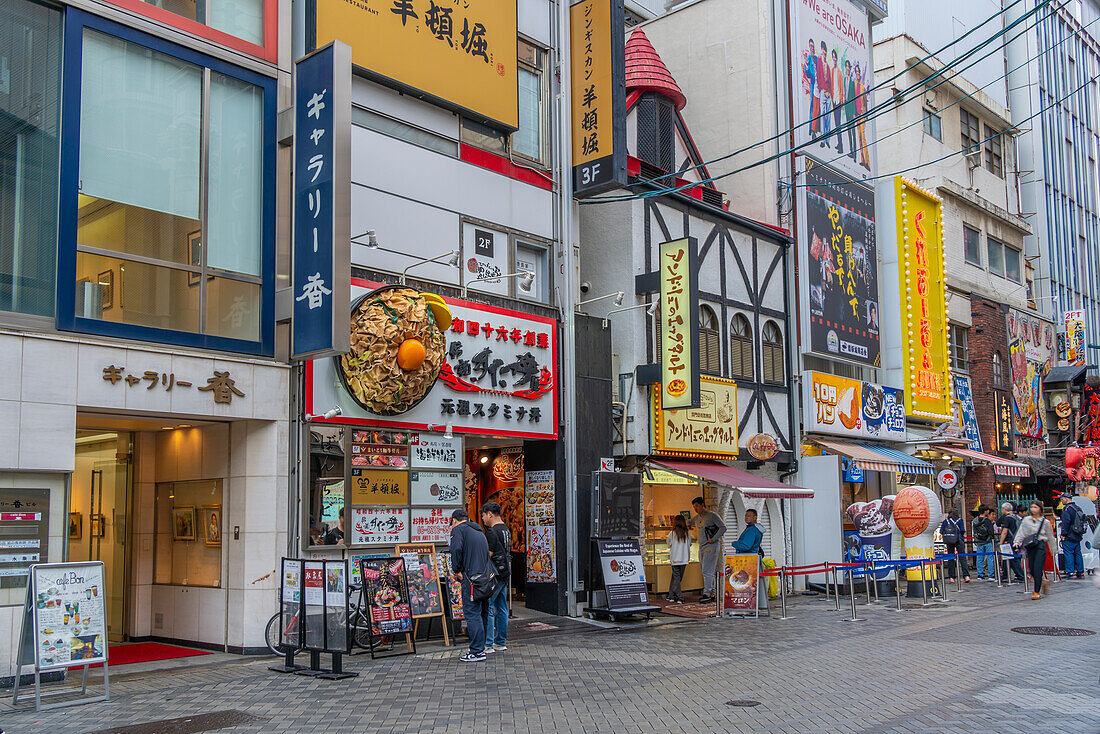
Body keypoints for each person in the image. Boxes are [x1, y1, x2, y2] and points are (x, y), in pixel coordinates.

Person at [449, 509, 493, 662]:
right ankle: (482, 648)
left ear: (454, 520)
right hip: (485, 580)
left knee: (472, 614)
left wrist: (457, 570)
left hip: (470, 579)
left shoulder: (458, 531)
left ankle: (476, 651)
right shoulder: (479, 531)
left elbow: (455, 550)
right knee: (482, 614)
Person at [480, 501, 510, 653]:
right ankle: (501, 641)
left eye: (484, 515)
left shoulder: (491, 532)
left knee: (489, 607)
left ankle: (488, 644)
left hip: (495, 574)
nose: (483, 518)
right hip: (505, 573)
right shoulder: (506, 530)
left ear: (490, 514)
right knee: (502, 607)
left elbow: (488, 555)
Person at [1013, 501, 1056, 599]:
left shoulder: (1045, 522)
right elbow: (1021, 532)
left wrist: (1054, 550)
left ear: (1040, 509)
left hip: (1040, 545)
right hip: (1030, 545)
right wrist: (1017, 543)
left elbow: (1050, 536)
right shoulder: (1026, 520)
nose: (1033, 509)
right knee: (1031, 569)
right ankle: (1042, 581)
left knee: (1037, 568)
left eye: (1035, 507)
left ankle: (1036, 592)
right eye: (1032, 507)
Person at [689, 497, 726, 603]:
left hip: (711, 546)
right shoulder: (697, 518)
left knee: (707, 571)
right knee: (705, 570)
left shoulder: (712, 515)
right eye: (694, 507)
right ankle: (712, 592)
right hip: (701, 546)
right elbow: (690, 522)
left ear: (702, 505)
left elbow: (723, 527)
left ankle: (707, 593)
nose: (695, 509)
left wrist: (713, 539)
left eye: (697, 506)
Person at [1060, 491, 1086, 579]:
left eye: (1062, 499)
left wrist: (1063, 534)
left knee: (1068, 553)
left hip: (1069, 534)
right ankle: (1080, 572)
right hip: (1078, 534)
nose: (1061, 501)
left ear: (1066, 499)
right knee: (1078, 553)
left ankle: (1070, 572)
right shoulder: (1078, 508)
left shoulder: (1066, 509)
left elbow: (1066, 522)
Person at [666, 515, 691, 603]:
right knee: (677, 578)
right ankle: (673, 596)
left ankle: (676, 597)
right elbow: (690, 544)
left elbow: (668, 544)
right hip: (684, 559)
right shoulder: (687, 533)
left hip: (675, 559)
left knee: (676, 578)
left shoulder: (672, 533)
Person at [939, 509, 969, 583]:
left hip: (949, 541)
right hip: (959, 540)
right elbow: (962, 530)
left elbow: (941, 531)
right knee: (962, 558)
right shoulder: (960, 520)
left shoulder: (946, 521)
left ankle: (952, 577)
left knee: (951, 559)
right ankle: (966, 576)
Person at [997, 501, 1025, 582]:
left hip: (1010, 540)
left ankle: (1020, 575)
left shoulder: (1007, 518)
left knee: (1013, 559)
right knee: (1006, 558)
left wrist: (1001, 542)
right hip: (1017, 539)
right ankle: (1005, 574)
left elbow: (1005, 531)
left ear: (1004, 509)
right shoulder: (1016, 517)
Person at [972, 505, 996, 580]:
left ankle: (980, 574)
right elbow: (991, 532)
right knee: (989, 558)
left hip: (979, 541)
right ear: (985, 511)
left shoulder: (975, 521)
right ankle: (991, 575)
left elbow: (974, 532)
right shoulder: (987, 520)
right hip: (987, 541)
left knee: (979, 558)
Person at [803, 39, 819, 137]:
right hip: (814, 86)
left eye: (813, 46)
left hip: (820, 86)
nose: (812, 48)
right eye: (810, 46)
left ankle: (817, 129)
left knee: (818, 109)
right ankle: (812, 131)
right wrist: (806, 65)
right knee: (813, 108)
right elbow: (808, 74)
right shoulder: (808, 58)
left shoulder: (817, 58)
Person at [818, 41, 833, 147]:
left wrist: (829, 92)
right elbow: (819, 76)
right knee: (823, 116)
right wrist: (823, 89)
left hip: (828, 93)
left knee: (828, 116)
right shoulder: (819, 61)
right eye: (823, 50)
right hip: (823, 92)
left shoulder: (827, 65)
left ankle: (828, 139)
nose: (824, 52)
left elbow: (830, 80)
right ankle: (823, 139)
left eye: (825, 50)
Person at [831, 50, 844, 153]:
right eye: (833, 57)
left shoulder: (839, 72)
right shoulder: (832, 71)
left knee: (838, 124)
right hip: (833, 101)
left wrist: (841, 101)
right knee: (836, 124)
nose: (834, 59)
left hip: (838, 101)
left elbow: (841, 88)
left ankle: (841, 145)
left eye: (835, 57)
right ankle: (839, 144)